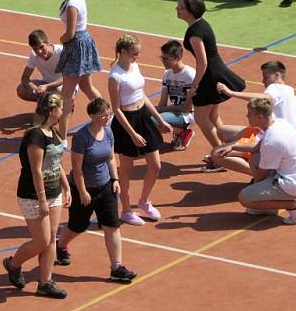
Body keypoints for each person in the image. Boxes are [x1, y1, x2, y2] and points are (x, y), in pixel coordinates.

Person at [56, 97, 137, 282]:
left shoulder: (108, 132)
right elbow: (77, 168)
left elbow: (110, 157)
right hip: (84, 189)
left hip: (106, 186)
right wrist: (83, 191)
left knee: (112, 227)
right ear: (92, 116)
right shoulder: (82, 137)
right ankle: (61, 244)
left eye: (108, 114)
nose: (107, 118)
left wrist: (115, 179)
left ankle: (116, 267)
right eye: (103, 115)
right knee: (78, 226)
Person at [3, 92, 71, 298]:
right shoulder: (35, 136)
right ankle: (14, 264)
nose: (63, 112)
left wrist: (66, 187)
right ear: (52, 110)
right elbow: (37, 170)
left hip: (54, 192)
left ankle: (45, 282)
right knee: (41, 241)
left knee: (51, 240)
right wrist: (42, 199)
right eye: (61, 108)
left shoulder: (54, 132)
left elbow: (56, 163)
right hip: (33, 195)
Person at [109, 34, 172, 226]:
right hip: (126, 122)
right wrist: (132, 134)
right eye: (134, 53)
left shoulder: (135, 66)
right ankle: (126, 210)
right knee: (126, 169)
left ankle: (144, 201)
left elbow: (141, 95)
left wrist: (159, 119)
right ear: (122, 52)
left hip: (143, 116)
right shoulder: (115, 76)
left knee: (155, 165)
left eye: (138, 53)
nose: (137, 56)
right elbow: (116, 108)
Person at [176, 0, 246, 161]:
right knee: (213, 116)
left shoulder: (194, 34)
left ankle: (220, 156)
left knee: (201, 118)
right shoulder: (202, 24)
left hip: (209, 77)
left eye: (181, 7)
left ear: (191, 11)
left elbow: (203, 62)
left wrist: (194, 86)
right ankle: (231, 151)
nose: (177, 8)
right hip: (216, 73)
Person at [210, 60, 296, 176]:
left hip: (266, 138)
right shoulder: (294, 99)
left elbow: (266, 98)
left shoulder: (277, 87)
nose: (263, 81)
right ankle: (251, 159)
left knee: (216, 153)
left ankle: (258, 173)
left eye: (266, 77)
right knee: (222, 132)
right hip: (271, 137)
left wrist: (231, 93)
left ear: (277, 75)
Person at [237, 98, 296, 225]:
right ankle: (269, 206)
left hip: (291, 186)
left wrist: (255, 191)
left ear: (260, 117)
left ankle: (294, 206)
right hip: (295, 178)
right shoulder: (280, 123)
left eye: (250, 113)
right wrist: (231, 147)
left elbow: (261, 174)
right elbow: (256, 147)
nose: (247, 116)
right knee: (255, 156)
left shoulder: (272, 140)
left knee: (245, 197)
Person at [55, 0, 102, 144]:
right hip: (83, 43)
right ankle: (107, 114)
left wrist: (62, 39)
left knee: (66, 94)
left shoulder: (73, 3)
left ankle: (62, 137)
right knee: (86, 86)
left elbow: (70, 33)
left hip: (76, 46)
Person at [155, 39, 196, 151]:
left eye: (166, 58)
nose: (163, 61)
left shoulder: (189, 75)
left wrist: (162, 110)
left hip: (188, 115)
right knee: (145, 116)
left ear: (177, 57)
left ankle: (184, 132)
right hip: (175, 111)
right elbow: (162, 101)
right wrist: (156, 110)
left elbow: (187, 107)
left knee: (155, 121)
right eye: (162, 57)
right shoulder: (167, 73)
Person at [17, 29, 64, 102]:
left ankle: (67, 103)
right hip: (45, 84)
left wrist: (47, 86)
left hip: (64, 85)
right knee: (21, 89)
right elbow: (25, 78)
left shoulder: (62, 52)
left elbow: (68, 78)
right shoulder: (34, 55)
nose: (39, 51)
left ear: (48, 43)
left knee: (57, 92)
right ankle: (45, 103)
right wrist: (34, 88)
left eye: (41, 47)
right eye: (35, 49)